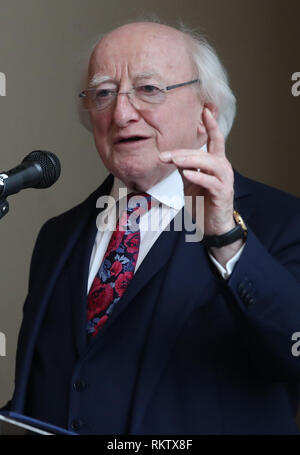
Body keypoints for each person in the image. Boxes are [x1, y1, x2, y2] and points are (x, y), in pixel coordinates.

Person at [5, 20, 300, 434]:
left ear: (206, 112)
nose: (122, 113)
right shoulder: (58, 235)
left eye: (149, 89)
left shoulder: (282, 220)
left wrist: (226, 239)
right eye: (104, 93)